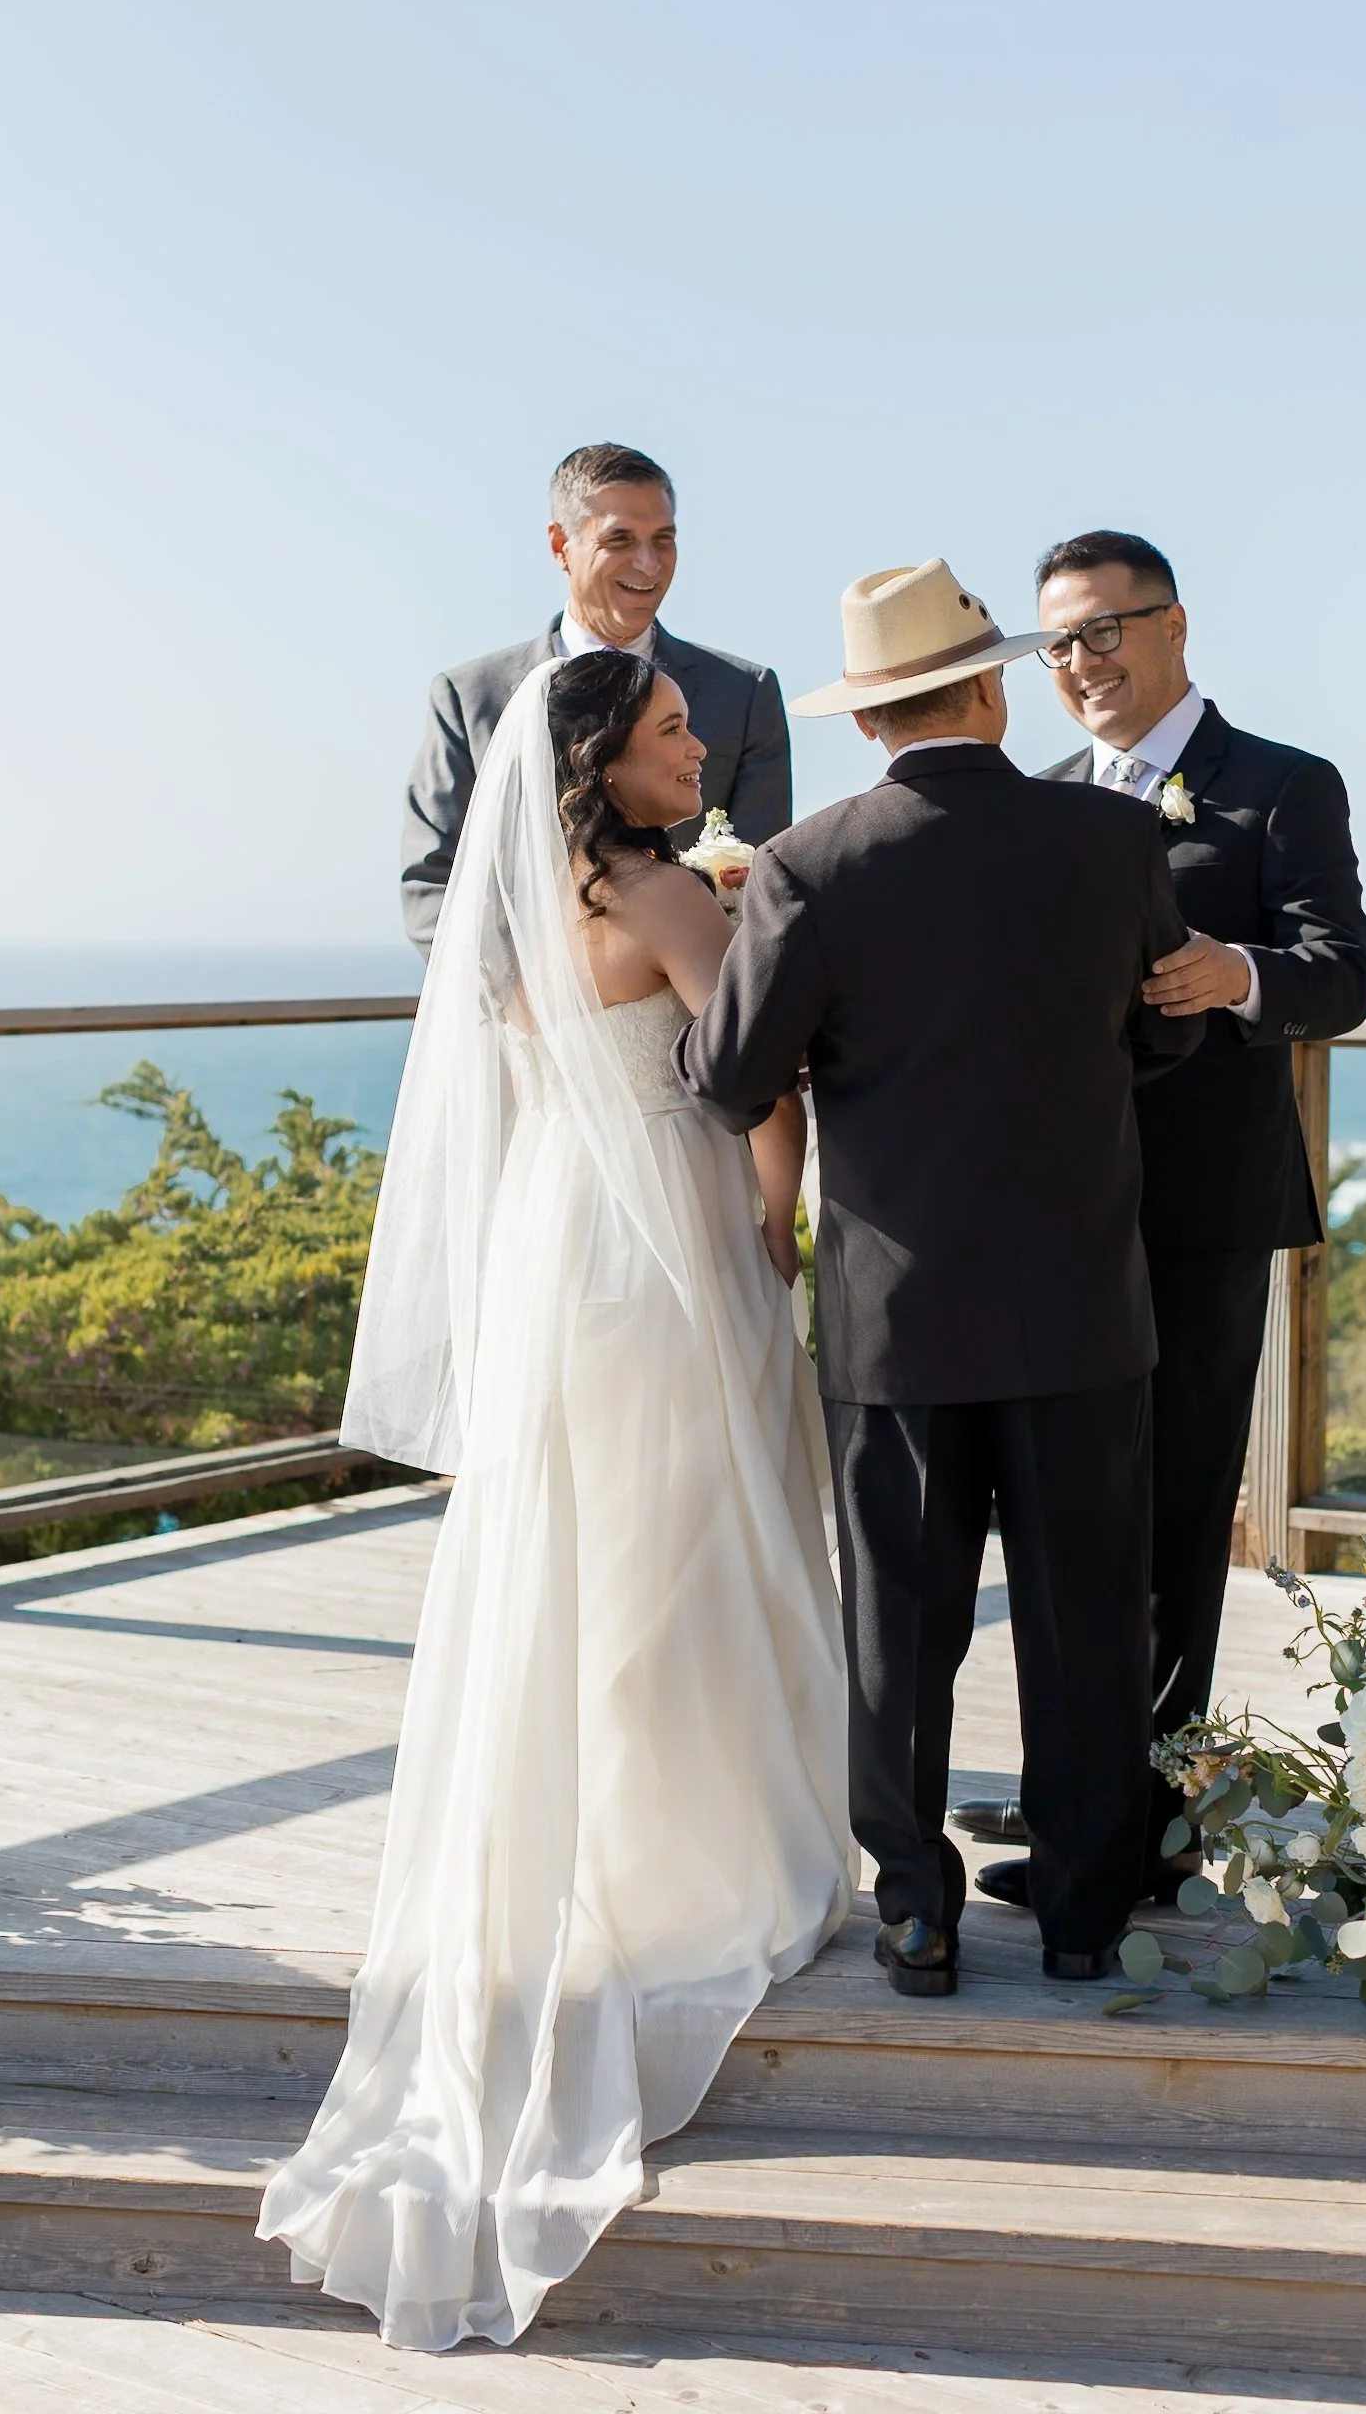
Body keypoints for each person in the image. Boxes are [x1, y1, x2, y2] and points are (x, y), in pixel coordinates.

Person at [259, 649, 852, 2351]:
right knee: (689, 1549)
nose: (696, 751)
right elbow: (754, 1076)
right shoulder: (667, 895)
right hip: (664, 1246)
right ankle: (702, 1854)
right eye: (672, 734)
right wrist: (778, 1224)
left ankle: (586, 1842)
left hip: (549, 1251)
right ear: (604, 763)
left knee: (577, 1554)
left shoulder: (514, 909)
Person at [679, 558, 1203, 1992]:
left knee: (896, 1631)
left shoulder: (807, 866)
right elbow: (1160, 1033)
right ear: (986, 689)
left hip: (895, 1323)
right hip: (1084, 1307)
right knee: (1086, 1618)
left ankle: (913, 1904)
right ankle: (1087, 1913)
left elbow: (727, 1081)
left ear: (867, 723)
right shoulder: (1108, 843)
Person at [971, 530, 1366, 1916]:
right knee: (1054, 1515)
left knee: (1173, 1515)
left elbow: (1342, 975)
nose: (1076, 665)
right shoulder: (1031, 803)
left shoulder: (1278, 788)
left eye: (1099, 631)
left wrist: (1237, 973)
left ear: (1172, 624)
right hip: (1052, 1216)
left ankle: (1142, 1835)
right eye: (1054, 644)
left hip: (1200, 1213)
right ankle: (1068, 1801)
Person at [400, 443, 792, 958]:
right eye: (621, 539)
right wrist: (534, 1002)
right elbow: (431, 885)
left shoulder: (744, 693)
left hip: (691, 1020)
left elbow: (765, 880)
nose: (648, 564)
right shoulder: (468, 698)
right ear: (561, 544)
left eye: (663, 539)